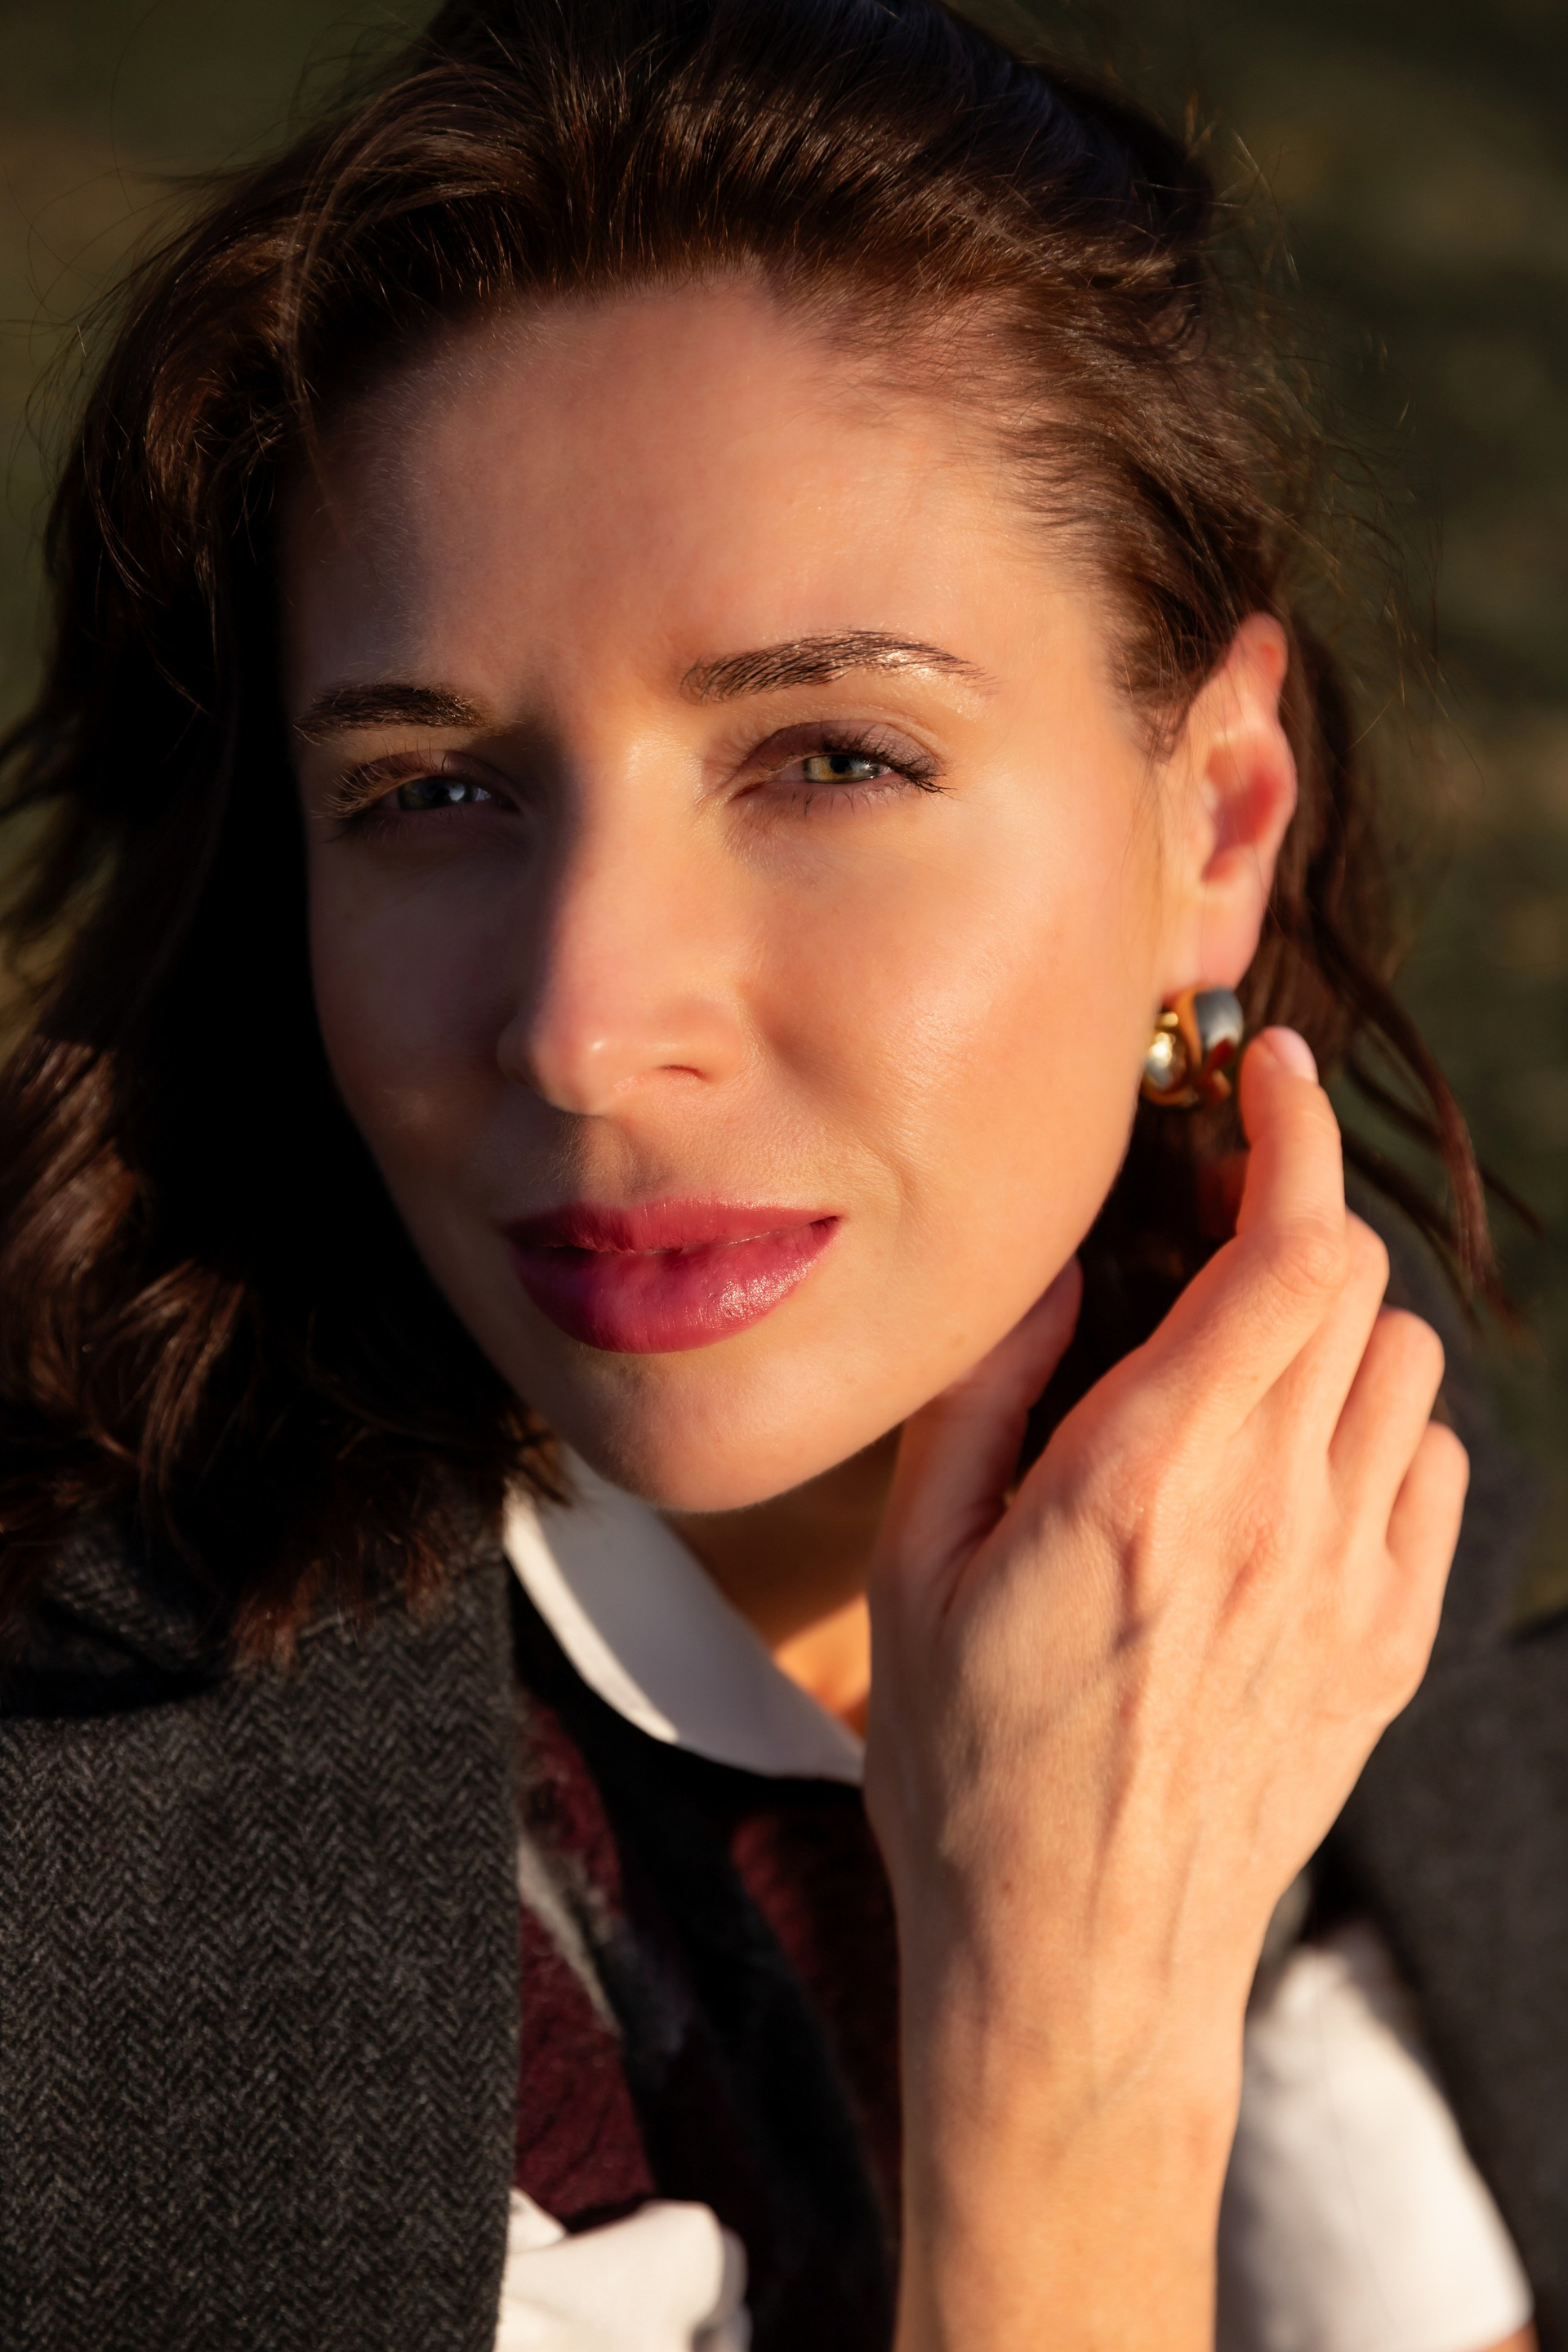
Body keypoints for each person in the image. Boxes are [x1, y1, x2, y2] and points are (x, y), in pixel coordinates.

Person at [0, 0, 1561, 2345]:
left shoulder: (1329, 1472)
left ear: (1218, 822)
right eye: (428, 792)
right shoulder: (131, 1954)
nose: (582, 1025)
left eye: (829, 757)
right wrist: (1068, 2056)